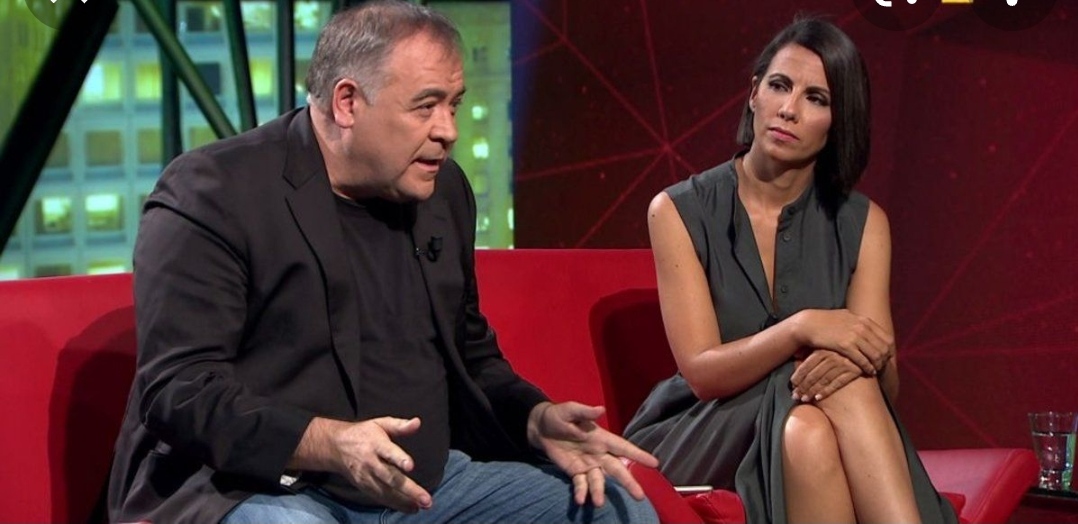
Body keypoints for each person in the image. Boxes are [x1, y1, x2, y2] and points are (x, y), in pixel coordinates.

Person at [106, 2, 659, 523]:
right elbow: (181, 390)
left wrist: (533, 417)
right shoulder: (216, 191)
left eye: (454, 104)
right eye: (426, 106)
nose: (448, 130)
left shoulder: (443, 192)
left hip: (426, 484)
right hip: (259, 486)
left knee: (615, 509)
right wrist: (329, 442)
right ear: (347, 102)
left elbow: (469, 353)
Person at [622, 17, 958, 524]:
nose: (789, 109)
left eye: (816, 98)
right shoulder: (676, 210)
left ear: (838, 121)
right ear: (754, 94)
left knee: (809, 431)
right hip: (707, 428)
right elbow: (703, 374)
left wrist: (861, 357)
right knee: (837, 387)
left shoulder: (864, 224)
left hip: (814, 417)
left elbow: (884, 384)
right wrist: (803, 329)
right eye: (779, 86)